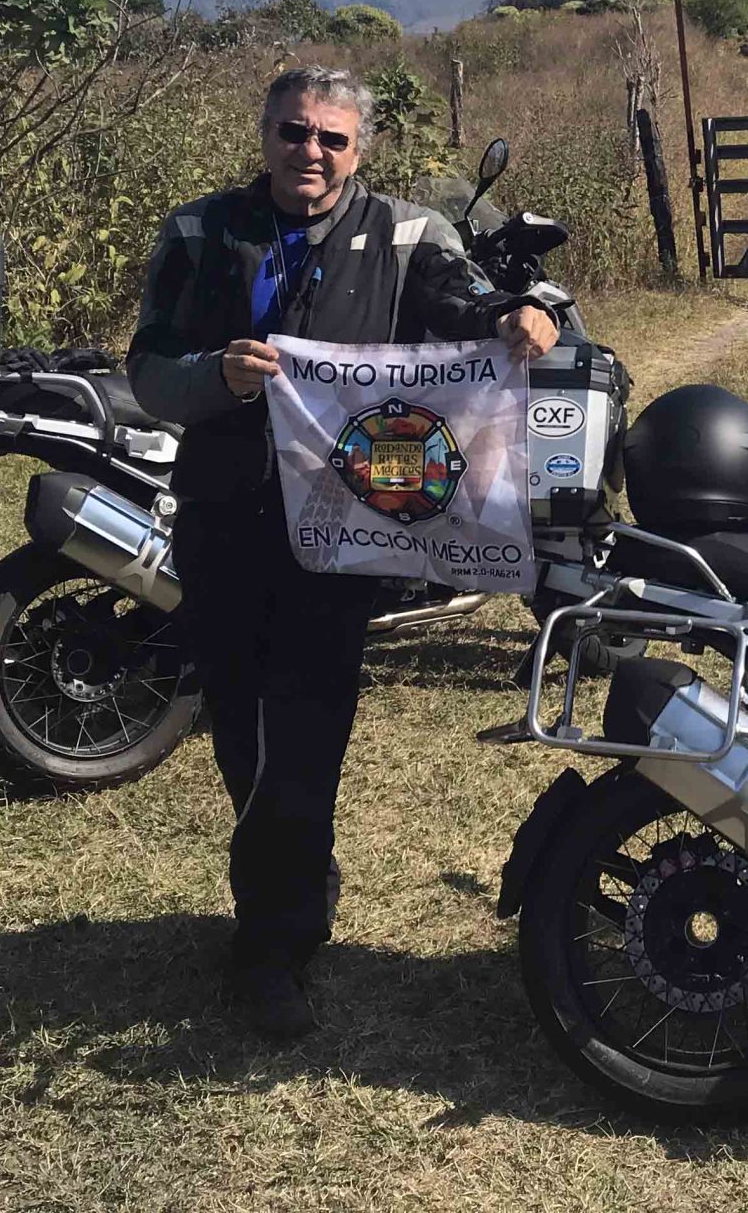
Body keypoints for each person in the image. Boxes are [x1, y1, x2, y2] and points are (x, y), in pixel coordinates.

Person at [127, 65, 557, 1039]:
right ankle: (294, 877)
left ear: (361, 148)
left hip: (347, 532)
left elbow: (474, 310)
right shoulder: (200, 233)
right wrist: (215, 377)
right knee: (240, 729)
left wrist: (522, 319)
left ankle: (271, 947)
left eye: (331, 138)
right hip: (224, 521)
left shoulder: (410, 234)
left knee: (308, 733)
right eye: (292, 132)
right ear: (265, 132)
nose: (309, 151)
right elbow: (147, 368)